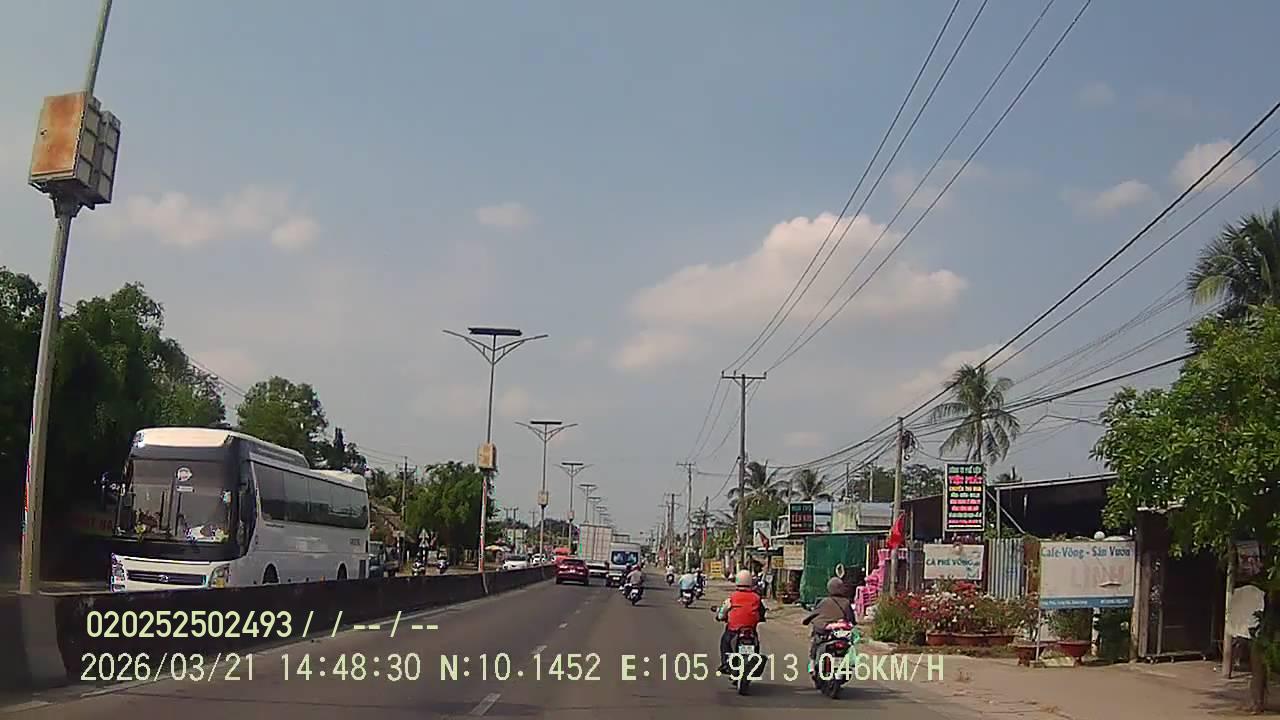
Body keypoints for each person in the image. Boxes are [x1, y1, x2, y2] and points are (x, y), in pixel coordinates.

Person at [717, 569, 767, 673]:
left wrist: (720, 617)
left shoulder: (732, 597)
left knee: (725, 642)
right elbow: (762, 612)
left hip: (734, 630)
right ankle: (754, 660)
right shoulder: (757, 598)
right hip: (750, 630)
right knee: (756, 643)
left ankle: (725, 664)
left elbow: (723, 611)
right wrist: (760, 618)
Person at [802, 577, 856, 661]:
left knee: (815, 642)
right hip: (840, 634)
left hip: (825, 632)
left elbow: (814, 614)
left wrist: (806, 621)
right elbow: (851, 619)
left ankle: (812, 661)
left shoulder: (824, 601)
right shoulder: (846, 602)